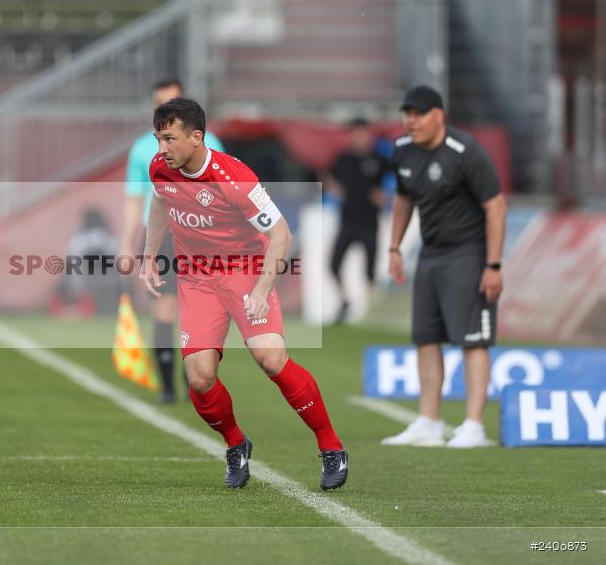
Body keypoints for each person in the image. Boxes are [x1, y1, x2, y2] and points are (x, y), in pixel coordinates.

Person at [140, 97, 348, 490]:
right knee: (200, 378)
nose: (161, 148)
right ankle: (236, 444)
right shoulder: (159, 169)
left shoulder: (233, 178)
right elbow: (160, 202)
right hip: (198, 280)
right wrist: (149, 255)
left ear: (196, 137)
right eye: (157, 139)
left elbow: (280, 233)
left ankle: (331, 447)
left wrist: (262, 287)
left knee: (270, 359)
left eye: (168, 139)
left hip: (245, 273)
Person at [383, 85, 507, 449]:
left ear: (439, 115)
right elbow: (404, 197)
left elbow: (496, 206)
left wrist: (494, 265)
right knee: (426, 338)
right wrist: (395, 246)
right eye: (407, 113)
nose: (411, 120)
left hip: (468, 254)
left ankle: (473, 425)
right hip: (431, 254)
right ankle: (429, 421)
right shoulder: (402, 150)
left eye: (419, 113)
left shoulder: (465, 151)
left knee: (472, 341)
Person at [119, 79, 225, 403]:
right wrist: (126, 244)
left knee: (200, 310)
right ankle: (168, 386)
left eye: (171, 101)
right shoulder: (141, 149)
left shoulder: (209, 143)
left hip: (201, 237)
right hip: (162, 238)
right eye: (159, 103)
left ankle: (193, 375)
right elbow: (135, 199)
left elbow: (222, 191)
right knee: (164, 309)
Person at [324, 118, 392, 324]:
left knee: (369, 269)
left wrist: (386, 195)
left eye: (362, 132)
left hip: (370, 221)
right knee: (333, 264)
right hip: (347, 221)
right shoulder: (343, 159)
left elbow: (400, 178)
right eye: (355, 133)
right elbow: (328, 175)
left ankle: (369, 312)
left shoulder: (379, 159)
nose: (358, 137)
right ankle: (344, 300)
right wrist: (334, 189)